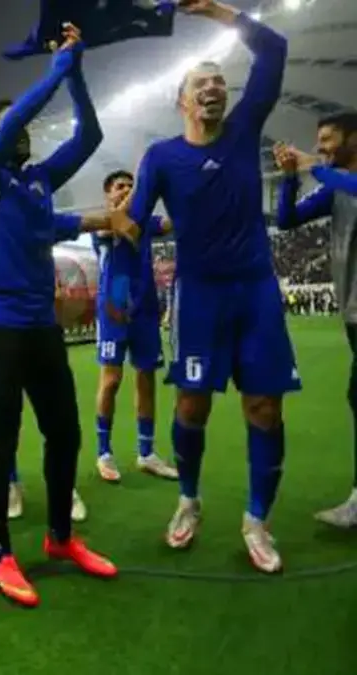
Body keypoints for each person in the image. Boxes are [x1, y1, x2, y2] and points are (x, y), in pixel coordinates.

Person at [119, 0, 294, 574]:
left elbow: (274, 49)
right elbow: (134, 226)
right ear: (182, 101)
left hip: (256, 291)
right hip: (198, 296)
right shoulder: (161, 157)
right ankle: (188, 500)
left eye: (219, 80)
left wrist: (220, 12)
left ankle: (257, 520)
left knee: (264, 406)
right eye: (202, 82)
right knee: (191, 404)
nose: (214, 87)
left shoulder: (243, 131)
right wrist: (109, 241)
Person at [0, 23, 121, 607]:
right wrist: (53, 68)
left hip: (42, 327)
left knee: (66, 433)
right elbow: (12, 123)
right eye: (10, 124)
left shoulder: (39, 181)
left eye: (24, 124)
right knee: (0, 443)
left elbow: (90, 135)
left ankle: (59, 539)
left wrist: (73, 70)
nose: (23, 129)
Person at [272, 111, 357, 527]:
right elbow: (286, 219)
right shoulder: (335, 187)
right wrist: (290, 179)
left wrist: (312, 166)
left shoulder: (342, 181)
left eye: (328, 139)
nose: (320, 146)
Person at [89, 170, 178, 483]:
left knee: (146, 378)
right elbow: (115, 221)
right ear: (108, 194)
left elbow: (171, 223)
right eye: (120, 187)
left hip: (145, 307)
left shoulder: (146, 222)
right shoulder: (103, 222)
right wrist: (138, 191)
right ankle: (104, 452)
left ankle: (147, 453)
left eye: (130, 186)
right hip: (114, 308)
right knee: (111, 380)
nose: (126, 190)